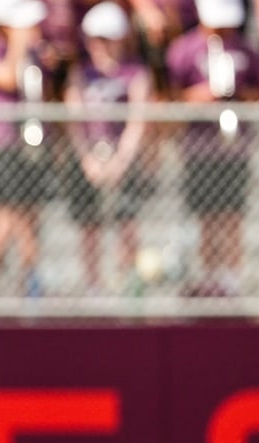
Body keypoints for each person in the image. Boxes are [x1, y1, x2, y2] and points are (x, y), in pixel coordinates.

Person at [164, 0, 259, 297]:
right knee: (207, 213)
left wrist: (237, 95)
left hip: (234, 147)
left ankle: (232, 278)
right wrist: (201, 97)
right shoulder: (184, 49)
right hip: (199, 147)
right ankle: (210, 275)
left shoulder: (245, 50)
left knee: (232, 212)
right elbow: (169, 99)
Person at [63, 1, 156, 291]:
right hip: (90, 156)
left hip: (123, 157)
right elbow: (73, 120)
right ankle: (93, 285)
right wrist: (87, 159)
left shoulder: (135, 73)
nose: (100, 45)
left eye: (106, 39)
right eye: (95, 39)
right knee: (89, 225)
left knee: (126, 222)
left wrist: (122, 160)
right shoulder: (80, 73)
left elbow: (138, 119)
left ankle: (127, 283)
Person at [0, 0, 54, 303]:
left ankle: (1, 286)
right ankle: (4, 284)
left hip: (32, 143)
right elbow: (5, 78)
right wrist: (18, 44)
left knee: (22, 218)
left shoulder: (33, 53)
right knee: (10, 215)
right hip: (5, 144)